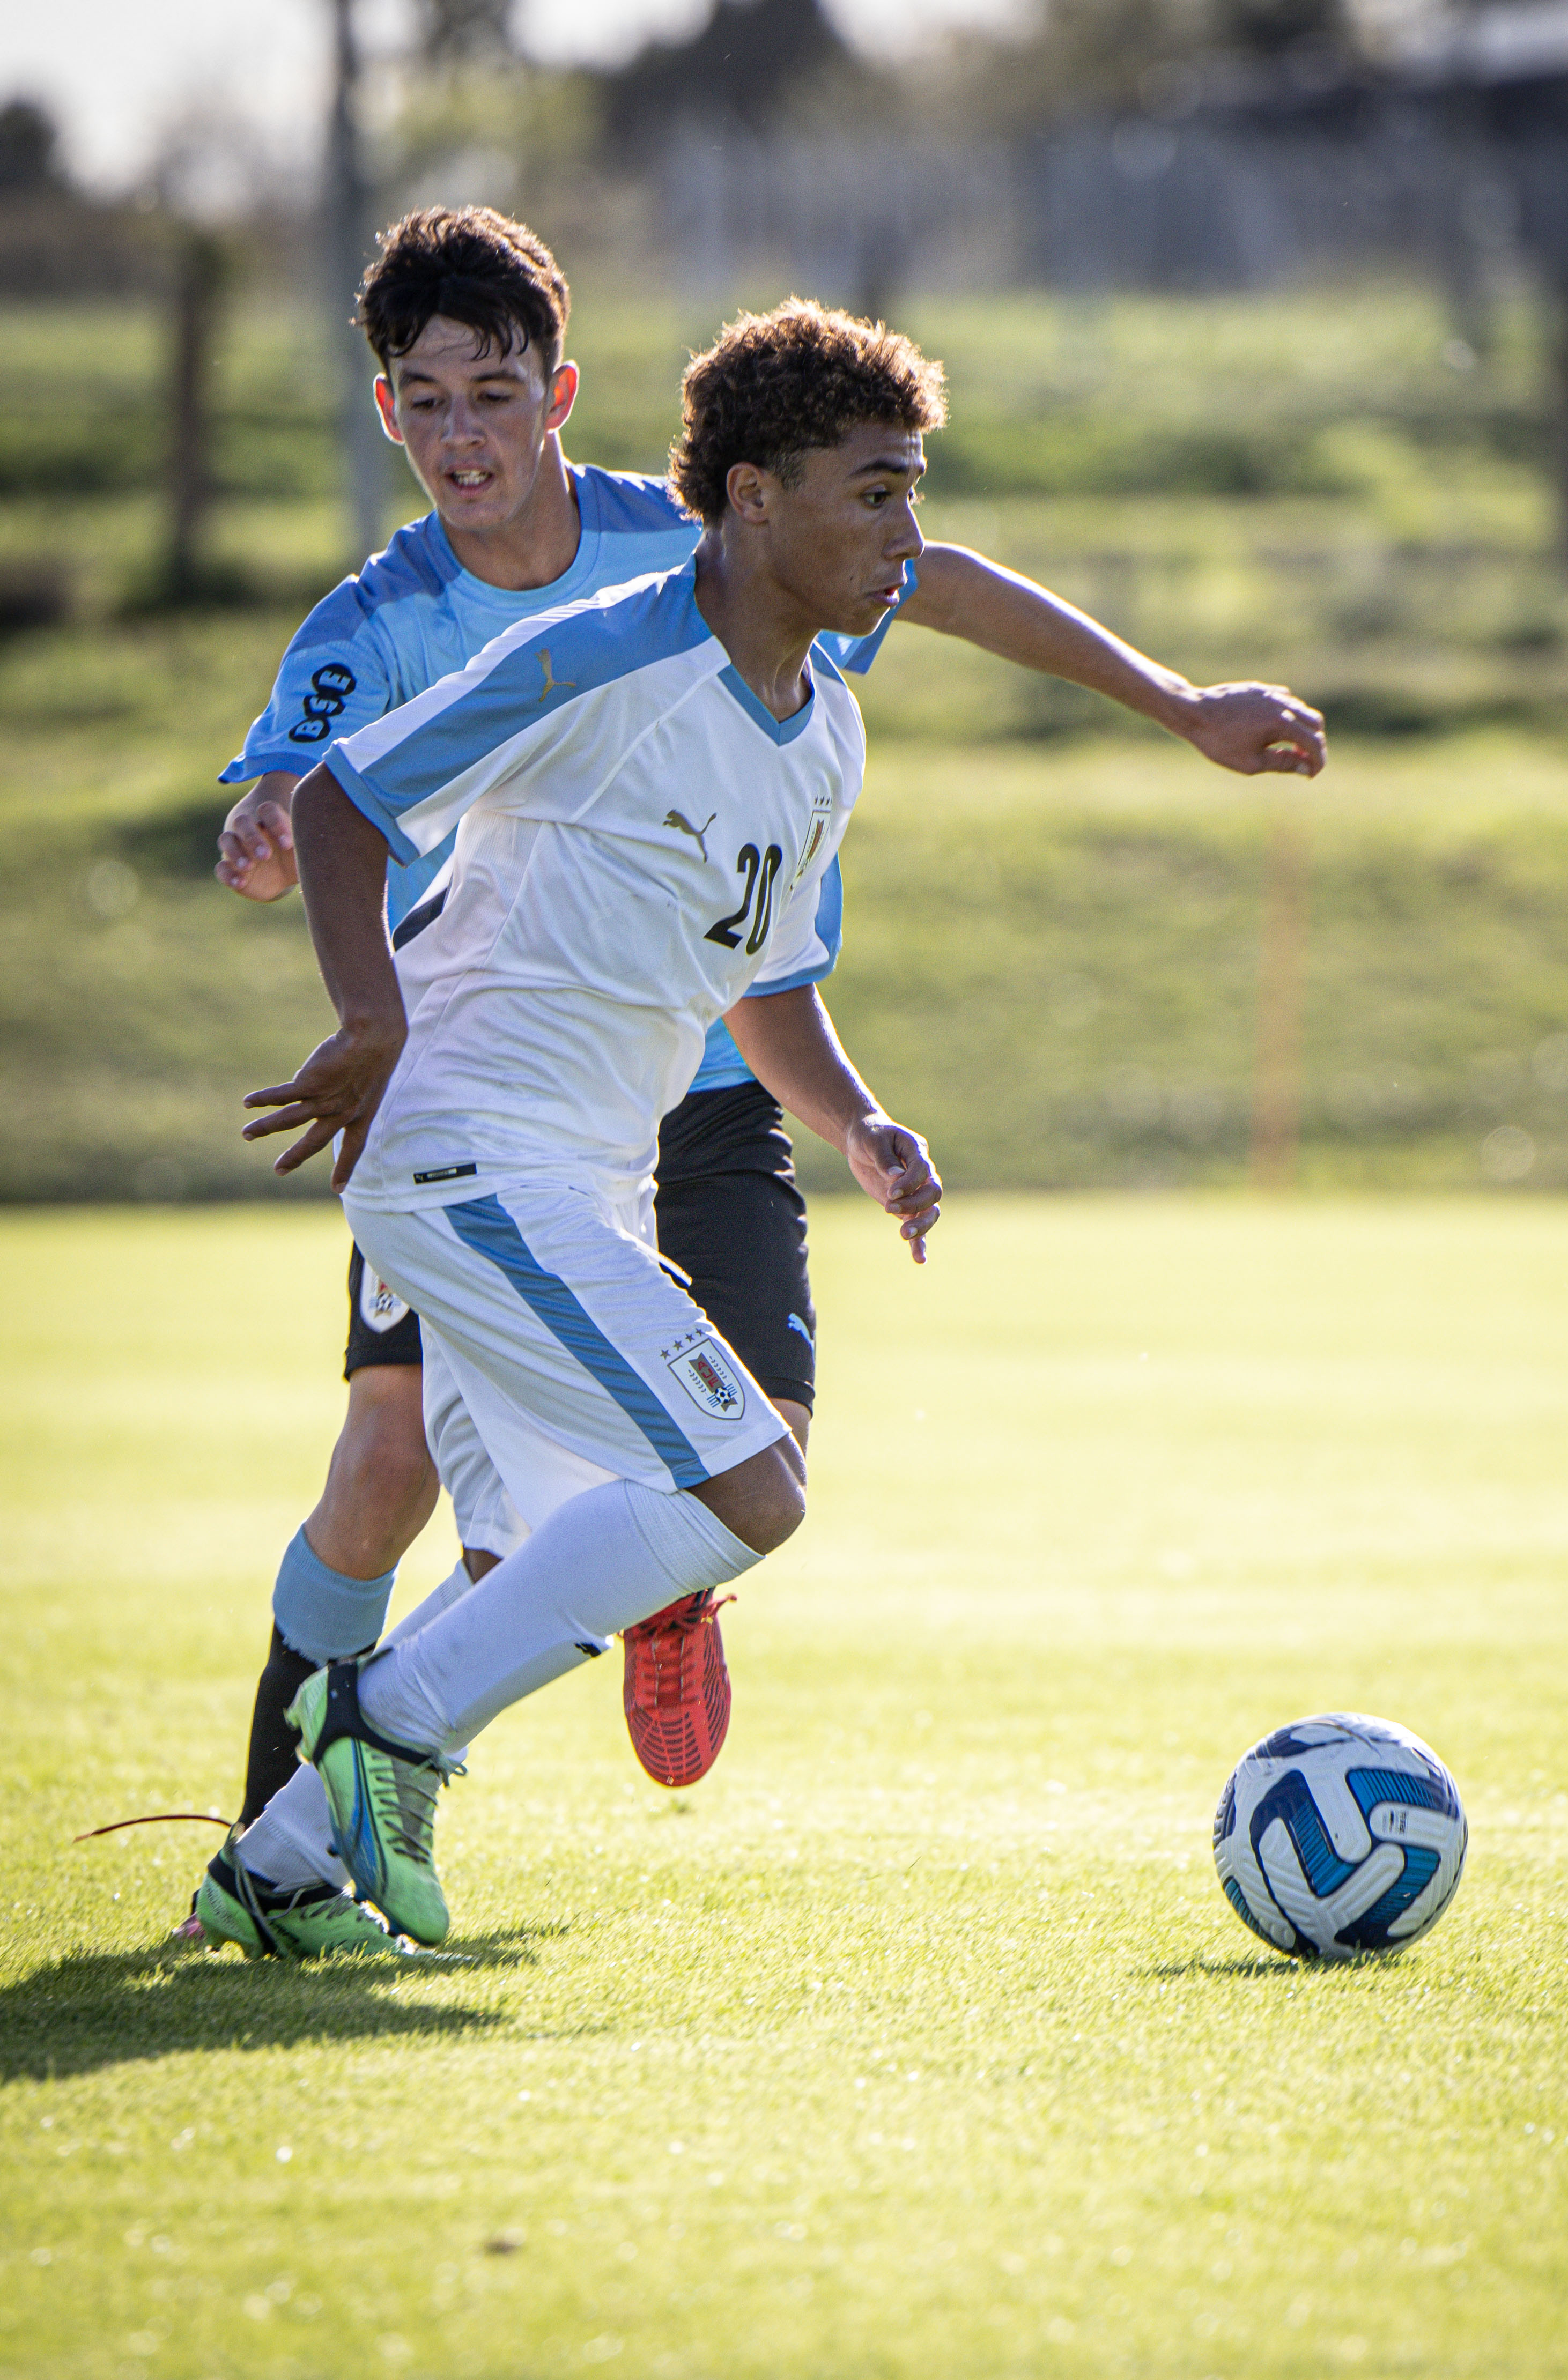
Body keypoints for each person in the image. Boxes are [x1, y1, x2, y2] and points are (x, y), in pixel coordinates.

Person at [209, 204, 1328, 1860]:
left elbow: (901, 652)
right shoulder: (435, 628)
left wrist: (1174, 711)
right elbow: (320, 800)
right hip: (466, 1094)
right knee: (425, 1470)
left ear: (559, 392)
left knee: (693, 1497)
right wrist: (299, 886)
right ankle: (301, 1818)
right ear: (386, 411)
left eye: (493, 392)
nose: (464, 430)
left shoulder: (741, 609)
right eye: (426, 398)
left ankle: (336, 1831)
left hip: (678, 1086)